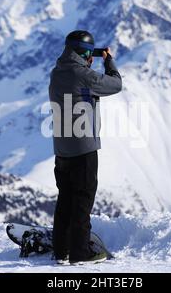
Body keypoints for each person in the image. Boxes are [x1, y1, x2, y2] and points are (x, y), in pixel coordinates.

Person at [49, 30, 122, 265]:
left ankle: (61, 251)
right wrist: (108, 60)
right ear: (85, 53)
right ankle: (81, 254)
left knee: (65, 200)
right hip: (83, 148)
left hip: (61, 148)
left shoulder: (57, 72)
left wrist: (90, 58)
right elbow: (115, 84)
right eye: (90, 54)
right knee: (82, 201)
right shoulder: (84, 75)